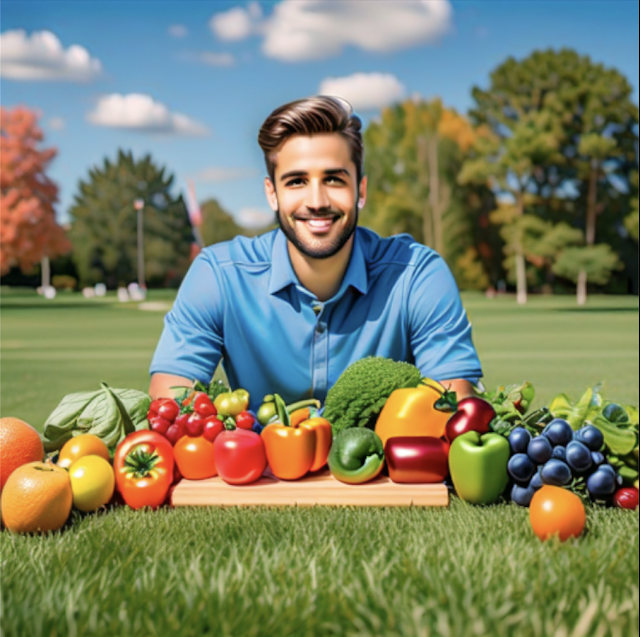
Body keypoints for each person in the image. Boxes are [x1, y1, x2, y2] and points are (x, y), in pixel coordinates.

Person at [149, 96, 482, 410]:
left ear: (360, 190)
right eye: (296, 181)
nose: (317, 201)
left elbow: (451, 408)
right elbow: (171, 404)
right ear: (272, 193)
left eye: (334, 179)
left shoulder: (418, 274)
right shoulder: (218, 275)